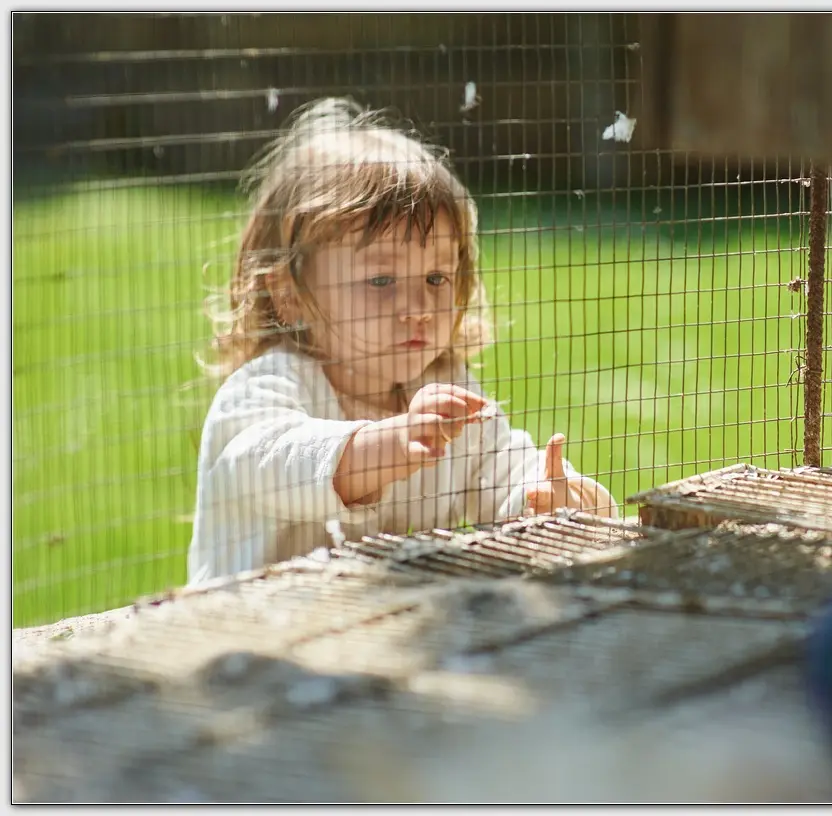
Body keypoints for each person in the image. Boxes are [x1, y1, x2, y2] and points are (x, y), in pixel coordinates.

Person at [188, 97, 617, 584]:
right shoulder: (265, 387)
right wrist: (387, 443)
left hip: (380, 622)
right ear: (289, 296)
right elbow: (269, 462)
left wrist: (547, 496)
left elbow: (502, 470)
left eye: (436, 278)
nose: (418, 307)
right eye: (381, 281)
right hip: (249, 624)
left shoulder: (443, 384)